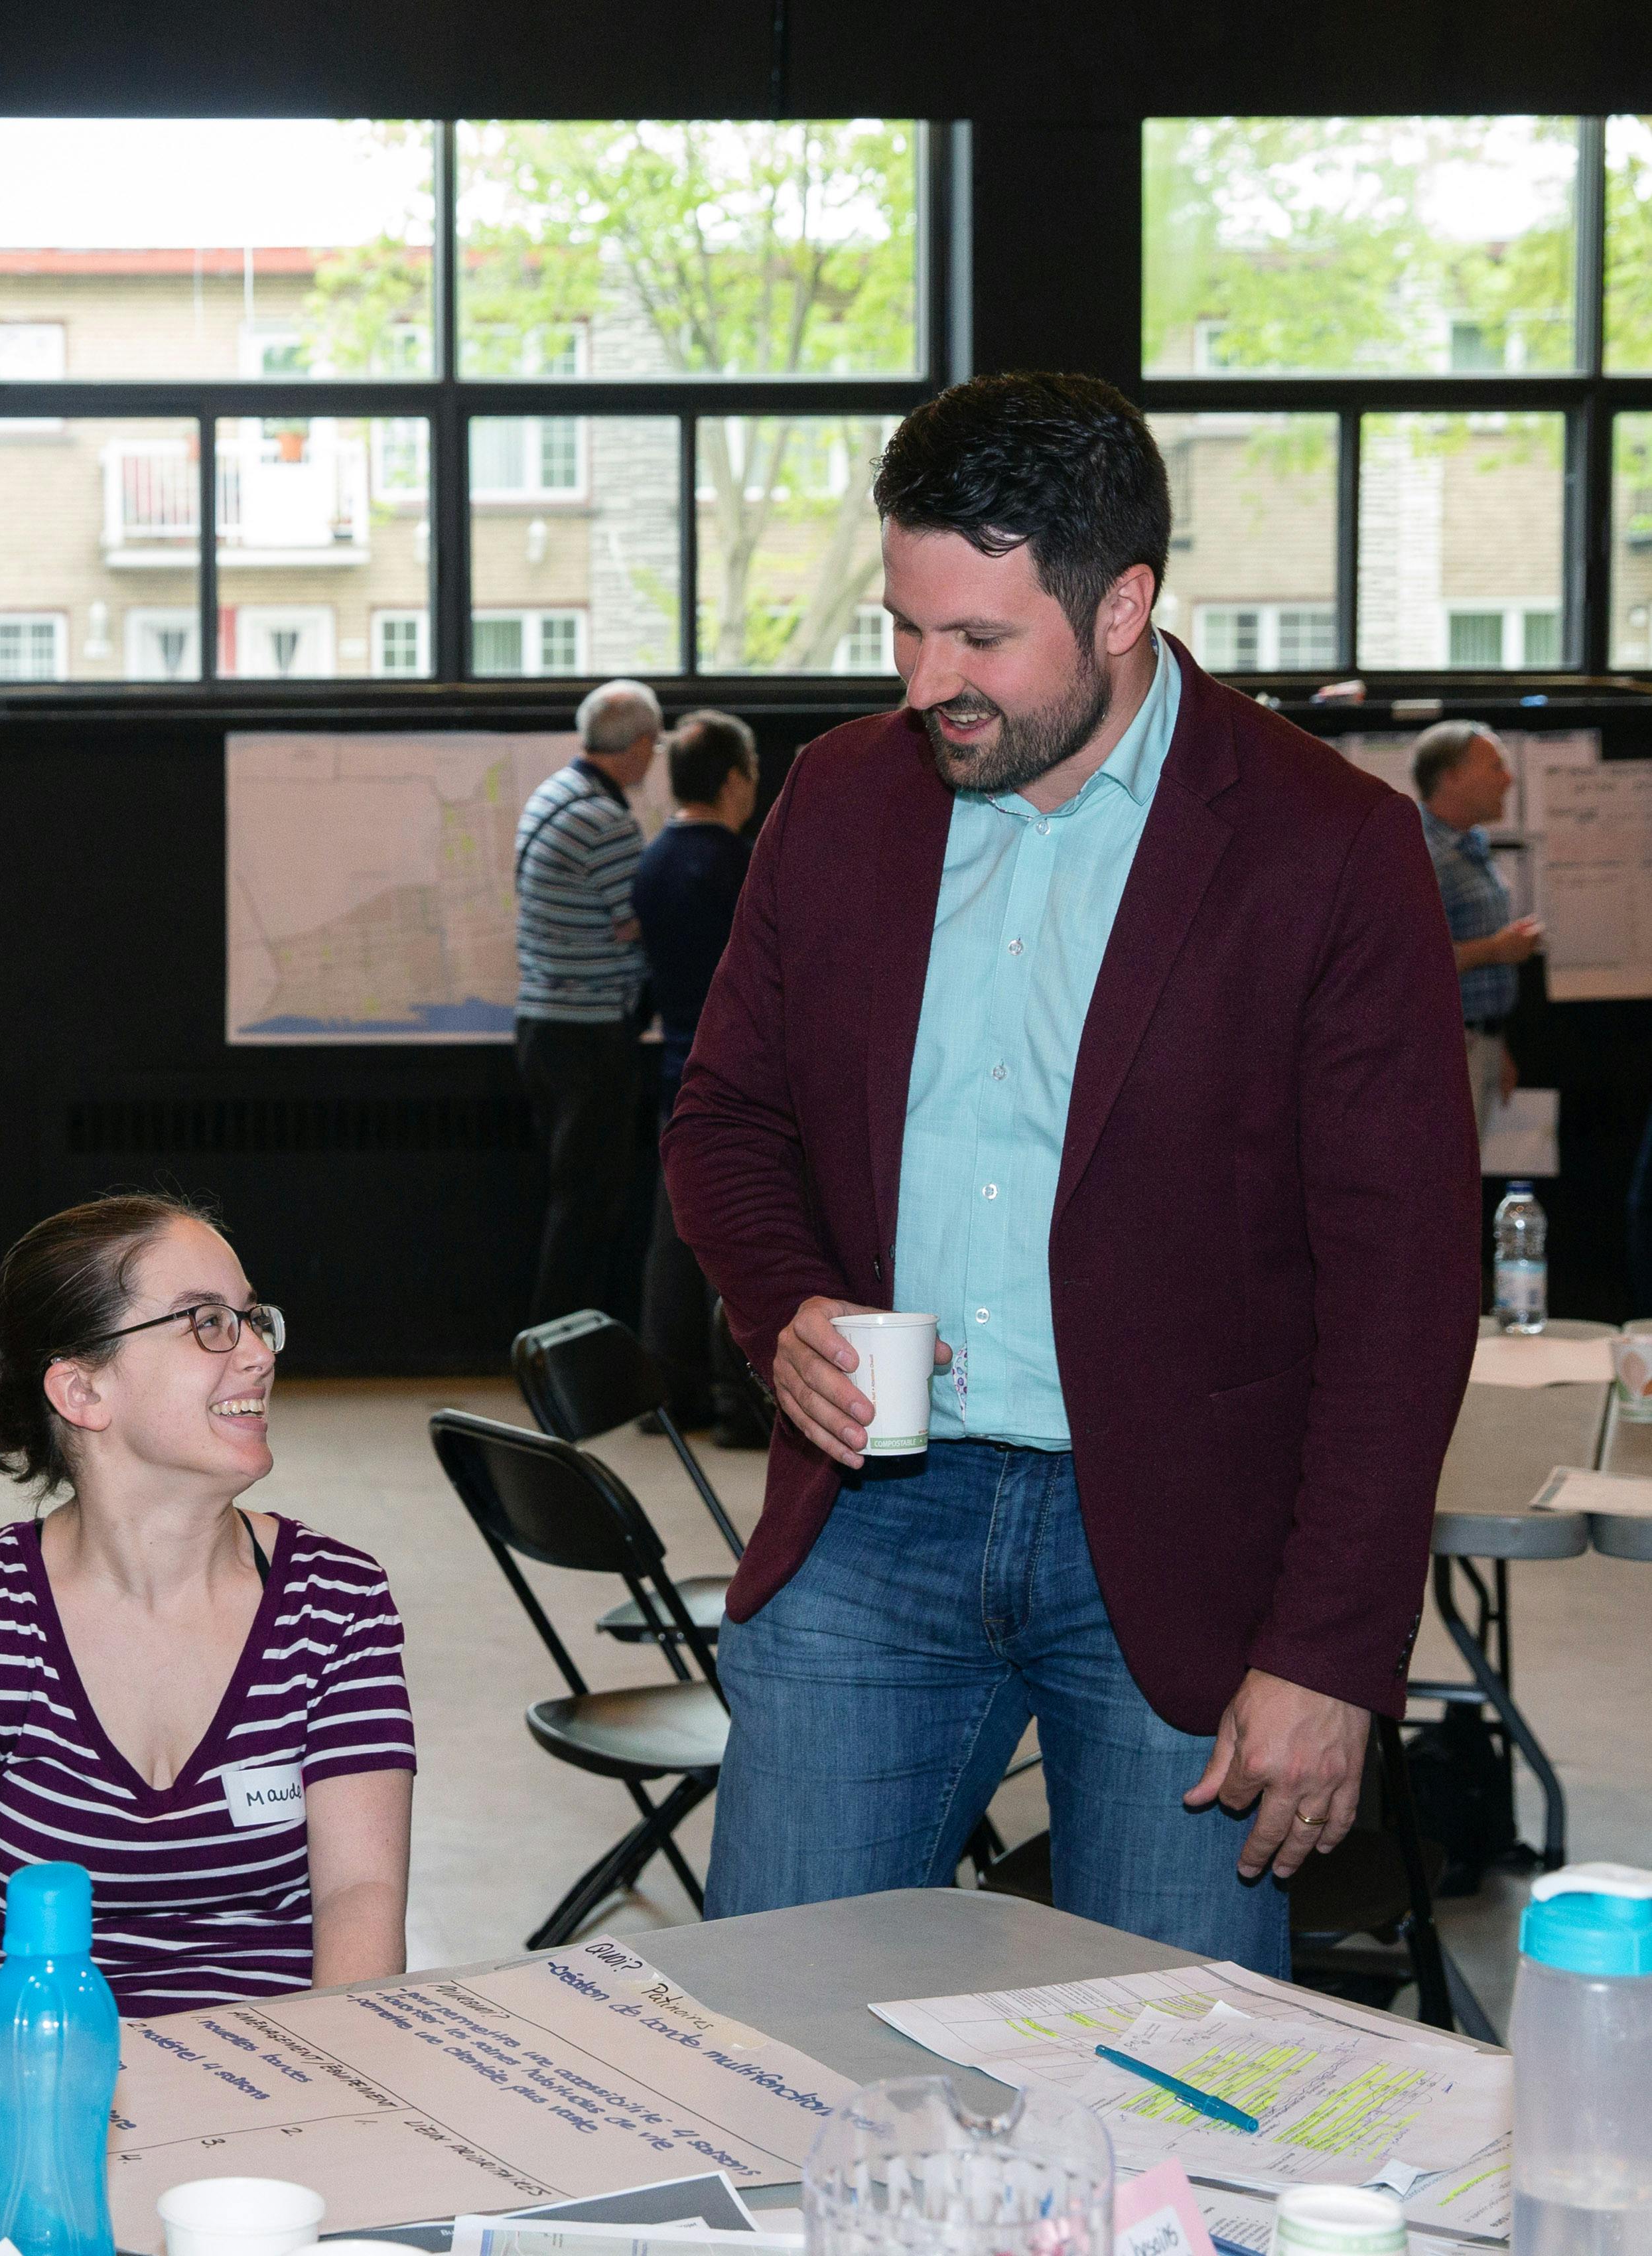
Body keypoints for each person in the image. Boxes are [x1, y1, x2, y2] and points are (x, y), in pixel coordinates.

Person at [665, 372, 1477, 1975]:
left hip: (1178, 1553)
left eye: (979, 640)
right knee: (755, 2024)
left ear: (1121, 604)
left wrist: (1328, 1647)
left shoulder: (1323, 844)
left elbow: (1401, 1286)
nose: (926, 683)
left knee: (1170, 2090)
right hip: (873, 1526)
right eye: (903, 628)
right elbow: (724, 1116)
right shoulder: (836, 801)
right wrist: (785, 1310)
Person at [0, 1195, 413, 2056]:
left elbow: (361, 1902)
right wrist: (63, 2102)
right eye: (208, 1324)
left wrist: (319, 2091)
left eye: (254, 1319)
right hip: (50, 2092)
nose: (260, 1354)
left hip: (296, 2092)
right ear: (83, 1390)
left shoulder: (336, 1601)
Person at [634, 711, 764, 1446]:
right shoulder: (739, 866)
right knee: (738, 1237)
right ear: (731, 780)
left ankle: (670, 1393)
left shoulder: (652, 863)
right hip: (736, 1075)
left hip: (674, 1066)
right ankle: (740, 1403)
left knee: (674, 1239)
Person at [515, 679, 657, 1323]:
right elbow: (641, 921)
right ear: (641, 746)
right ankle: (561, 1348)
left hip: (543, 1025)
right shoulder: (604, 821)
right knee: (589, 1202)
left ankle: (556, 1340)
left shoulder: (551, 795)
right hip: (591, 1033)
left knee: (571, 1195)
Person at [1406, 720, 1537, 1146]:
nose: (1509, 777)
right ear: (1452, 777)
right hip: (1438, 1053)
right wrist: (1497, 950)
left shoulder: (1470, 845)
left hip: (1478, 1042)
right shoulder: (1422, 854)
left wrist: (1495, 1045)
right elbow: (1407, 963)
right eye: (1495, 766)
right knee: (1437, 1191)